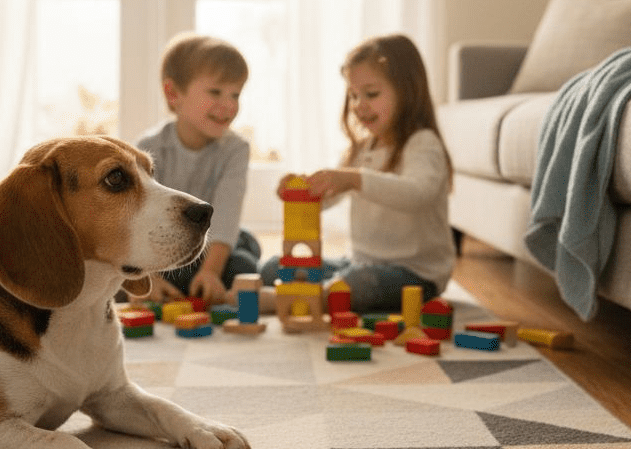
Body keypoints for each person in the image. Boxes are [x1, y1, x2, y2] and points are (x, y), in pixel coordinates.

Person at [259, 33, 455, 314]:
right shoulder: (363, 149)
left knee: (356, 285)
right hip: (362, 262)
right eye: (353, 95)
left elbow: (417, 193)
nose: (359, 105)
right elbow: (329, 197)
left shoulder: (422, 143)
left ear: (408, 91)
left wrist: (354, 178)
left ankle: (290, 302)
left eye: (371, 94)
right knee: (274, 267)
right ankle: (305, 292)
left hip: (415, 275)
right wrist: (303, 192)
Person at [137, 32, 260, 304]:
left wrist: (210, 273)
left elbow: (227, 216)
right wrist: (148, 278)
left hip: (212, 247)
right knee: (122, 279)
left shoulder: (235, 149)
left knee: (243, 266)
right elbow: (140, 222)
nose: (229, 105)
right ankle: (170, 284)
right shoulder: (149, 148)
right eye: (216, 91)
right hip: (163, 249)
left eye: (235, 94)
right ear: (174, 93)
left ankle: (201, 281)